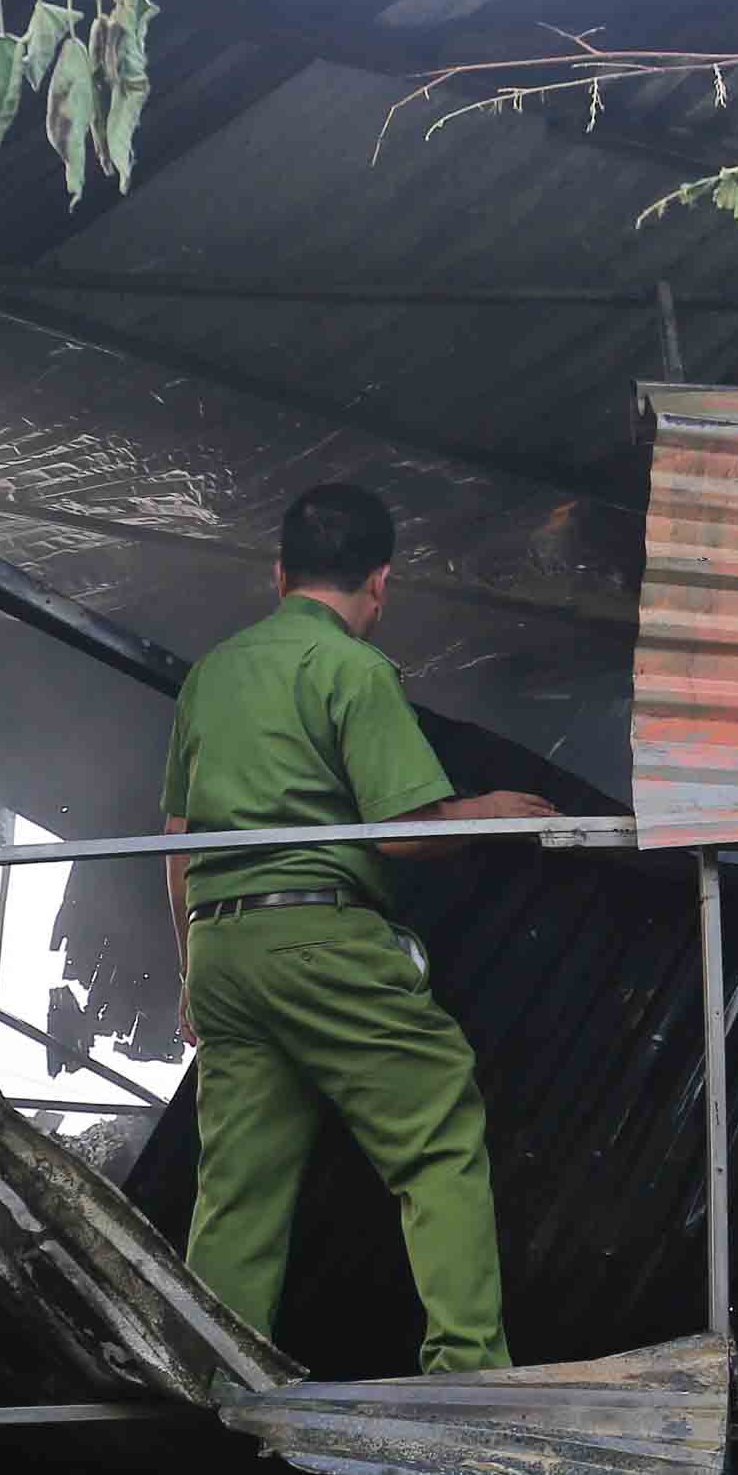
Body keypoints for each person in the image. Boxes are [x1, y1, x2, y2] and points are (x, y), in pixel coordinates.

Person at [159, 483, 553, 1374]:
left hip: (220, 946)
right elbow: (405, 831)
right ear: (382, 583)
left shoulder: (211, 674)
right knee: (439, 1131)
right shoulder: (354, 669)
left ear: (278, 574)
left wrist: (189, 963)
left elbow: (175, 840)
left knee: (239, 1186)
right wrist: (487, 808)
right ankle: (468, 1373)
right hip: (320, 936)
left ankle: (209, 1381)